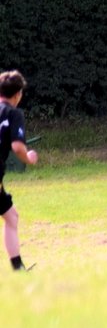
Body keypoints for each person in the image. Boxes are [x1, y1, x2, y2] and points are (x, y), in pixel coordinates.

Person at [0, 71, 40, 272]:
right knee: (11, 217)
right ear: (17, 95)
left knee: (11, 216)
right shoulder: (13, 113)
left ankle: (18, 269)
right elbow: (17, 147)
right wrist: (29, 158)